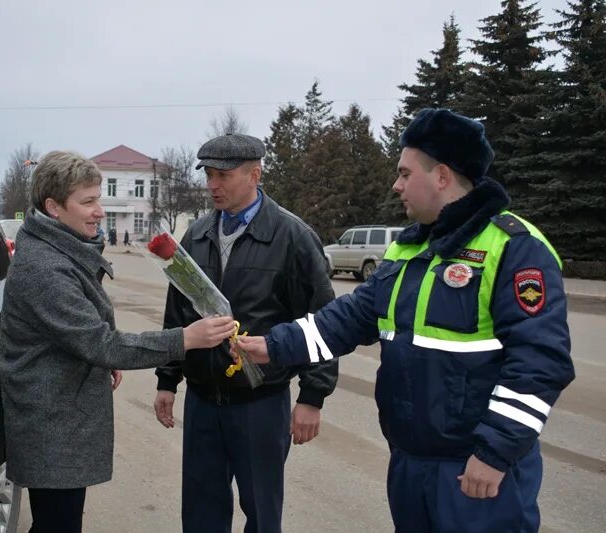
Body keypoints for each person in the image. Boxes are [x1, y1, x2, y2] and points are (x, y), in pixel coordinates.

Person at [234, 109, 575, 532]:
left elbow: (540, 362)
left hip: (477, 471)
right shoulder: (408, 250)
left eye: (404, 173)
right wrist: (274, 345)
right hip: (411, 463)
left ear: (442, 176)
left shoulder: (514, 247)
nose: (396, 185)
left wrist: (495, 453)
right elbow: (350, 317)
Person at [0, 150, 236, 533]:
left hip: (60, 416)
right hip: (51, 423)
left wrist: (100, 359)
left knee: (56, 522)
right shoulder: (46, 268)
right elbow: (101, 343)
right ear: (53, 207)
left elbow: (77, 336)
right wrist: (185, 339)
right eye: (88, 201)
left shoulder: (60, 248)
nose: (99, 211)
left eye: (99, 199)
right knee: (57, 524)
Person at [154, 133, 337, 533]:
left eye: (223, 175)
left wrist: (312, 396)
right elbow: (177, 314)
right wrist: (168, 379)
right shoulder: (198, 235)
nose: (212, 185)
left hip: (261, 404)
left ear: (254, 174)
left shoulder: (292, 237)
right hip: (203, 402)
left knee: (262, 511)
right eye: (208, 175)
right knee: (201, 511)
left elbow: (320, 321)